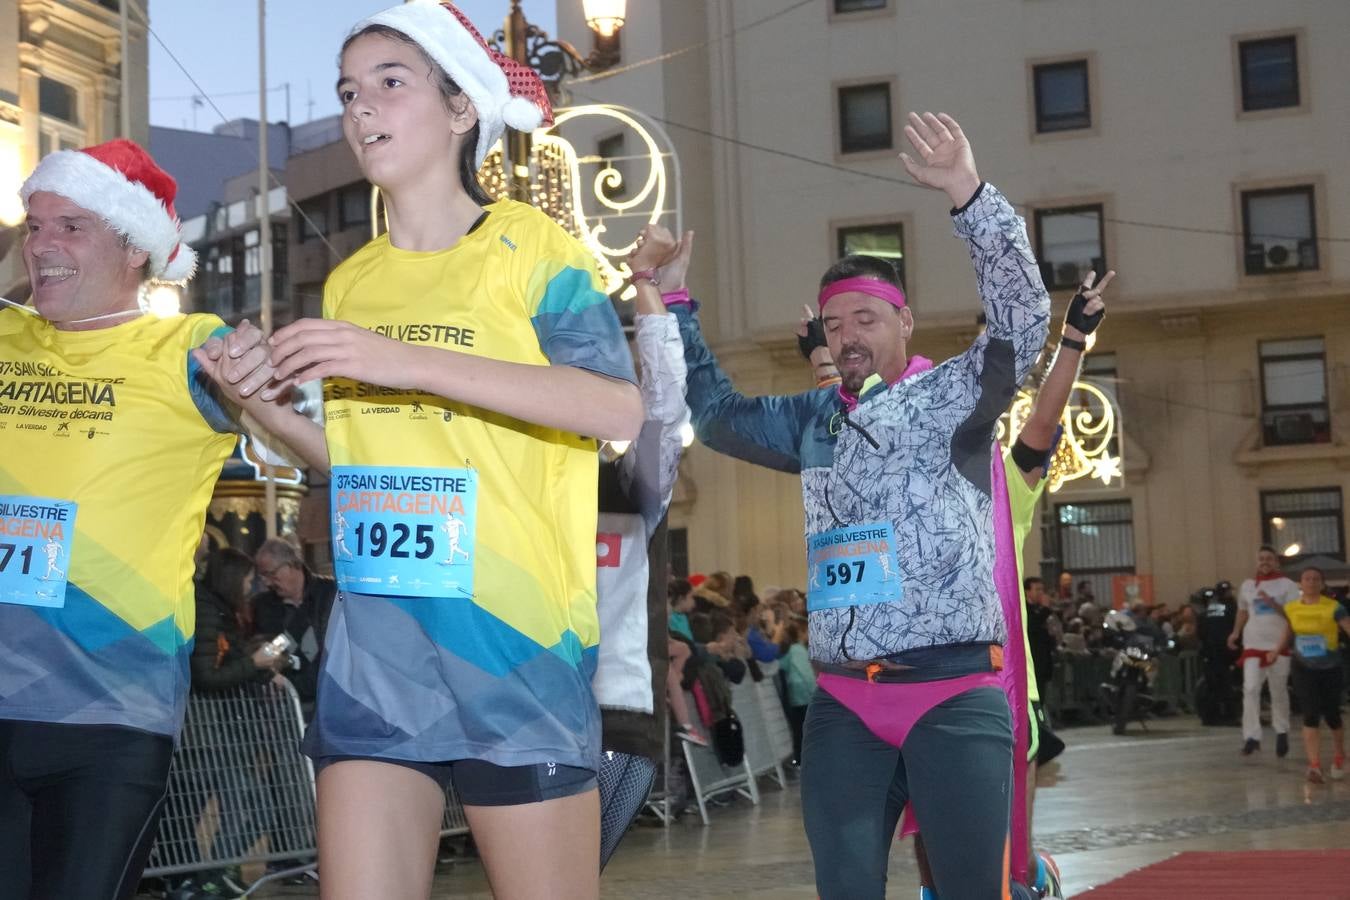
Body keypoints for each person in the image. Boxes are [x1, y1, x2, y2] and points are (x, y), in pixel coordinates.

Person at [231, 4, 642, 897]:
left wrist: (400, 358)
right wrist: (257, 404)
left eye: (390, 83)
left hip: (514, 648)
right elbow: (354, 465)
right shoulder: (351, 281)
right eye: (348, 91)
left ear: (462, 109)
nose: (360, 108)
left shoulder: (534, 247)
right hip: (378, 652)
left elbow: (617, 408)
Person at [672, 111, 1049, 899]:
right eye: (834, 324)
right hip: (846, 702)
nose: (847, 338)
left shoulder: (955, 398)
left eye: (866, 320)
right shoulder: (813, 422)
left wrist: (966, 193)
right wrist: (676, 303)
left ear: (906, 322)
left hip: (953, 694)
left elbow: (1023, 321)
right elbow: (712, 415)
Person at [0, 139, 279, 899]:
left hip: (108, 716)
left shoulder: (188, 347)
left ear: (135, 248)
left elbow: (299, 441)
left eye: (72, 226)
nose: (42, 245)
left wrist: (264, 382)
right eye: (35, 224)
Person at [592, 223, 691, 866]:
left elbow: (665, 411)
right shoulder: (506, 479)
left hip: (616, 716)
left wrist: (648, 291)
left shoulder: (630, 489)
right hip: (519, 717)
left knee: (568, 876)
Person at [1279, 567, 1350, 783]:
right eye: (1307, 579)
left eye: (1315, 579)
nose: (1311, 582)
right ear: (1300, 583)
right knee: (1310, 713)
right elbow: (1289, 631)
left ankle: (1339, 754)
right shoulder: (1291, 608)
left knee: (1331, 714)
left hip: (1329, 668)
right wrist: (1277, 649)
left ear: (1322, 583)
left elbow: (1347, 626)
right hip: (1303, 667)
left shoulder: (1334, 607)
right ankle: (1314, 765)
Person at [251, 537, 336, 713]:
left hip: (330, 695)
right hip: (288, 700)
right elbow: (269, 650)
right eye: (262, 576)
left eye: (271, 573)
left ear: (291, 564)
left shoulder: (330, 593)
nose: (267, 582)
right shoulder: (262, 605)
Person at [1228, 545, 1299, 756]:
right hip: (1252, 645)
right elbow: (1242, 610)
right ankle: (1251, 736)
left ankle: (1282, 731)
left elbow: (1293, 616)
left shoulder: (1287, 585)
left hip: (1278, 646)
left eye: (1269, 558)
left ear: (1276, 562)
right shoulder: (1248, 585)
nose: (1264, 562)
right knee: (1250, 689)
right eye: (1261, 559)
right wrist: (1235, 632)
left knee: (1278, 690)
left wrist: (1272, 604)